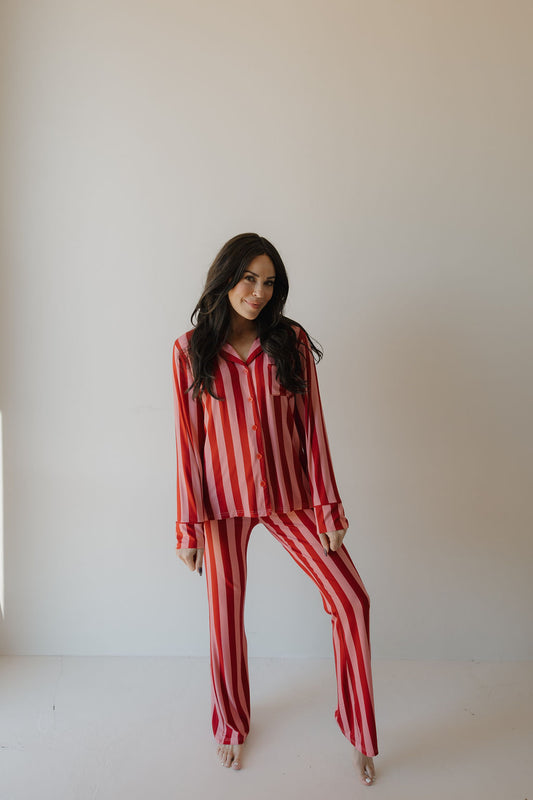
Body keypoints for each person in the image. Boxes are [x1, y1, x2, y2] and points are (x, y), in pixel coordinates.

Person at [172, 233, 378, 785]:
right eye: (249, 279)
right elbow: (188, 444)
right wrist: (187, 527)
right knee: (224, 619)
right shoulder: (190, 350)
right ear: (226, 279)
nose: (258, 292)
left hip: (293, 497)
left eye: (268, 282)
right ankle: (231, 724)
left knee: (351, 600)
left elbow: (314, 428)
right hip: (221, 505)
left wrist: (328, 508)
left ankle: (359, 730)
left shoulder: (290, 341)